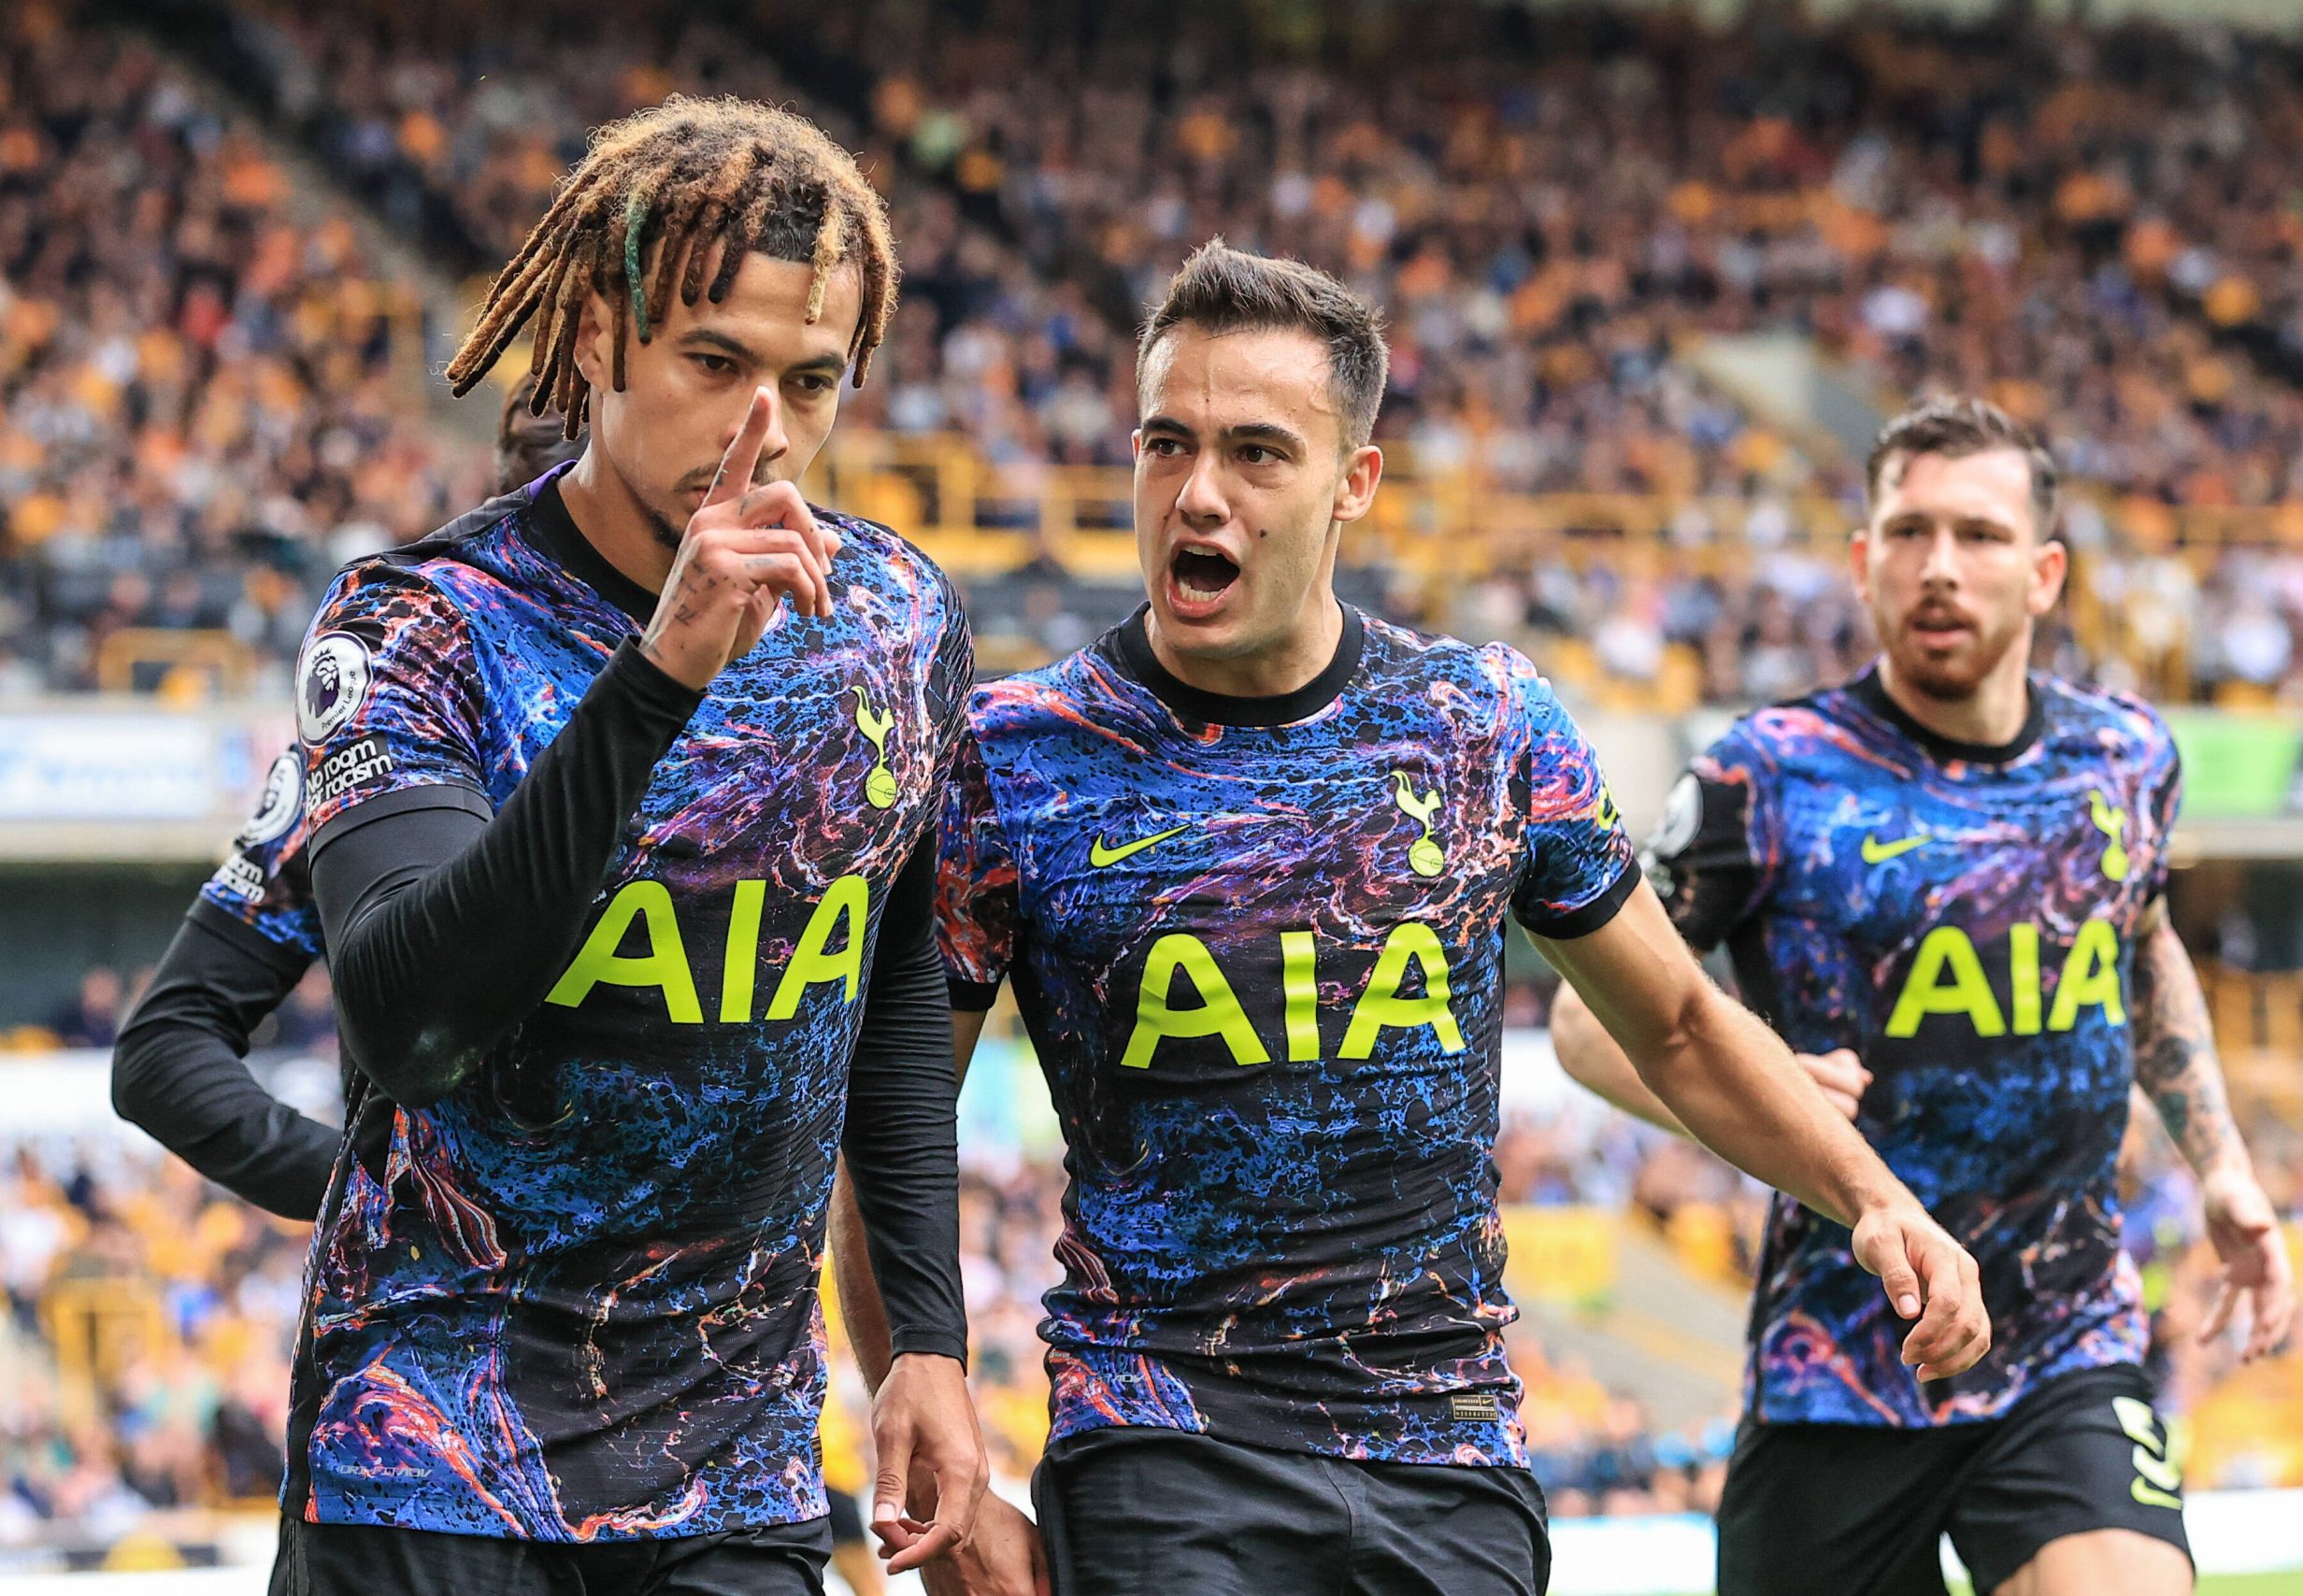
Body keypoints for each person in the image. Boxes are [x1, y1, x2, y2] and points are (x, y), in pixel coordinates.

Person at [835, 241, 1989, 1596]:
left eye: (1258, 453)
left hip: (1450, 1461)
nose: (1198, 493)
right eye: (1166, 444)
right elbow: (889, 1127)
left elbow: (1677, 1022)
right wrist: (939, 1462)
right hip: (1162, 1451)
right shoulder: (1012, 758)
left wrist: (1872, 1197)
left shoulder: (1480, 724)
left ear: (1354, 483)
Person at [271, 97, 986, 1595]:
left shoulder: (895, 619)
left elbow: (895, 982)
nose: (762, 430)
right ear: (599, 334)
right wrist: (660, 675)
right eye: (713, 363)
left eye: (810, 381)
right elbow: (410, 1025)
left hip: (734, 1483)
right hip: (429, 1465)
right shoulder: (421, 628)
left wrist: (924, 1338)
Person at [1551, 396, 2296, 1596]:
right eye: (1908, 532)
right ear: (1862, 561)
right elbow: (1587, 1022)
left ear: (2044, 573)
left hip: (2064, 1344)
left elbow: (2144, 944)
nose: (1939, 565)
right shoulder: (1766, 773)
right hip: (1839, 1359)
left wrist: (2218, 1164)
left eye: (1979, 534)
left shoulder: (2124, 758)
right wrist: (1755, 1078)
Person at [108, 374, 587, 1222]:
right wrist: (371, 1197)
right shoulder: (396, 711)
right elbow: (164, 1047)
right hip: (456, 1295)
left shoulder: (775, 707)